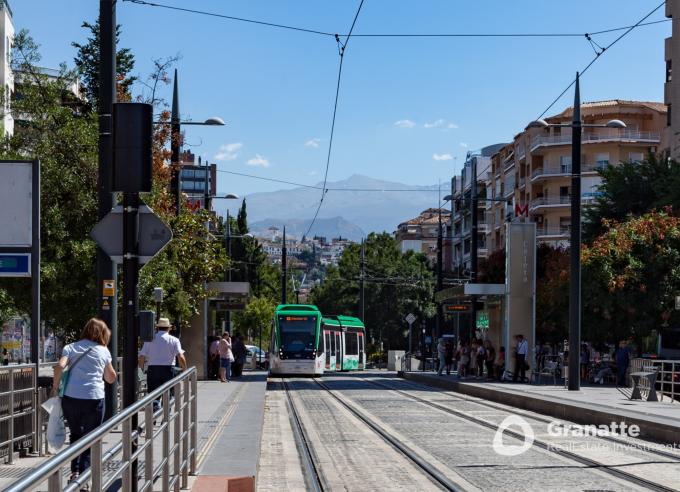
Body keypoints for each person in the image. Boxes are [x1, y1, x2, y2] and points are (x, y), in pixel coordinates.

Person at [52, 318, 117, 486]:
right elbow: (110, 378)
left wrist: (55, 386)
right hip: (94, 398)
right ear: (102, 334)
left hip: (71, 397)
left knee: (75, 435)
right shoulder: (103, 350)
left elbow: (59, 367)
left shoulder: (71, 347)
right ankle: (85, 477)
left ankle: (74, 472)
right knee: (91, 437)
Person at [138, 317, 187, 403]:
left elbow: (141, 356)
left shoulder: (149, 339)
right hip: (168, 370)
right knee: (168, 395)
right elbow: (181, 357)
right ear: (169, 328)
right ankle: (167, 414)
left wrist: (142, 370)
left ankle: (155, 410)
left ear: (157, 327)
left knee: (153, 395)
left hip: (153, 370)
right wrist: (185, 370)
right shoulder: (174, 340)